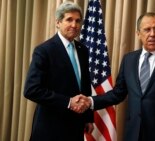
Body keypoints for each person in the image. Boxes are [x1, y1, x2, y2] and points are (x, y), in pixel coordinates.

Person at [82, 12, 155, 141]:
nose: (152, 34)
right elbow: (118, 93)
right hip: (134, 133)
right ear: (138, 34)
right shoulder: (129, 59)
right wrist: (90, 101)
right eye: (147, 30)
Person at [23, 2, 93, 141]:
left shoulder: (83, 50)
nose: (74, 25)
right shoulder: (44, 50)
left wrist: (88, 117)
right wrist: (68, 102)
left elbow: (84, 86)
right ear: (58, 22)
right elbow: (31, 89)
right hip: (50, 127)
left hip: (76, 126)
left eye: (78, 21)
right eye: (69, 19)